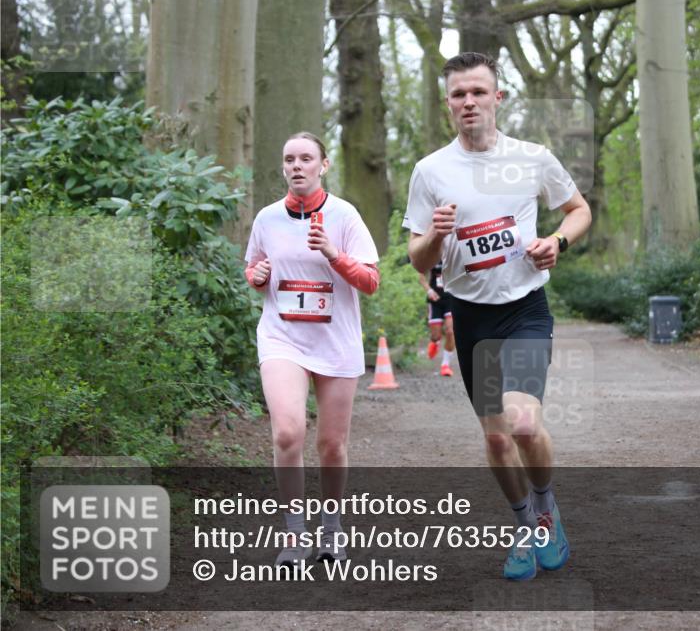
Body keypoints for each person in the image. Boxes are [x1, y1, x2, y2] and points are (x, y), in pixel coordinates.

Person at [404, 53, 592, 580]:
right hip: (471, 316)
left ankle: (547, 510)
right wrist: (436, 235)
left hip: (526, 309)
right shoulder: (431, 171)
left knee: (524, 423)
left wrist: (557, 241)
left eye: (478, 92)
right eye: (459, 94)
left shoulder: (532, 157)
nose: (469, 102)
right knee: (494, 438)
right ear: (448, 104)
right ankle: (522, 525)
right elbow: (418, 259)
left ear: (498, 98)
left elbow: (579, 210)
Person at [244, 131, 380, 567]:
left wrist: (333, 254)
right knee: (287, 431)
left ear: (323, 165)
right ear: (282, 167)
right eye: (289, 159)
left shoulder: (344, 215)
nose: (297, 166)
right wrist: (258, 275)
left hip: (335, 341)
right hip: (283, 337)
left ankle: (332, 527)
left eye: (306, 158)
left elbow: (371, 282)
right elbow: (253, 268)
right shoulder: (266, 218)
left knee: (331, 445)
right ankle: (293, 531)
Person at [417, 261, 456, 376]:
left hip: (451, 298)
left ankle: (445, 365)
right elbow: (421, 276)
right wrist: (429, 290)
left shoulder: (454, 252)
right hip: (435, 299)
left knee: (450, 331)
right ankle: (435, 342)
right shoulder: (433, 256)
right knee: (436, 335)